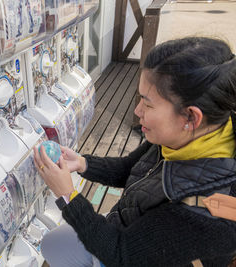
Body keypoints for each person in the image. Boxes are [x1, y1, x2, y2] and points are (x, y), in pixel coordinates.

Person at [33, 37, 236, 267]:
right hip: (128, 234)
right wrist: (81, 163)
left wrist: (68, 197)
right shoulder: (190, 136)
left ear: (191, 117)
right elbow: (131, 167)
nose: (138, 111)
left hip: (129, 254)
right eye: (140, 98)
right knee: (52, 244)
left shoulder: (206, 214)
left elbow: (122, 255)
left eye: (148, 104)